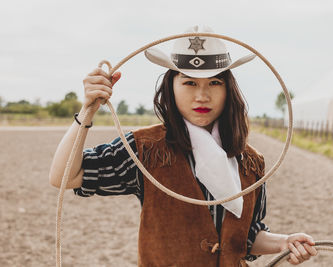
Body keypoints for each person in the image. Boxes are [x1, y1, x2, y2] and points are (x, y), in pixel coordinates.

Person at [49, 25, 317, 266]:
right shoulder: (145, 150)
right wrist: (87, 110)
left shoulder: (250, 161)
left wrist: (283, 242)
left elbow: (245, 237)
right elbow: (64, 176)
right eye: (189, 82)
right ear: (171, 86)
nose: (202, 95)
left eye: (214, 82)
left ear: (228, 89)